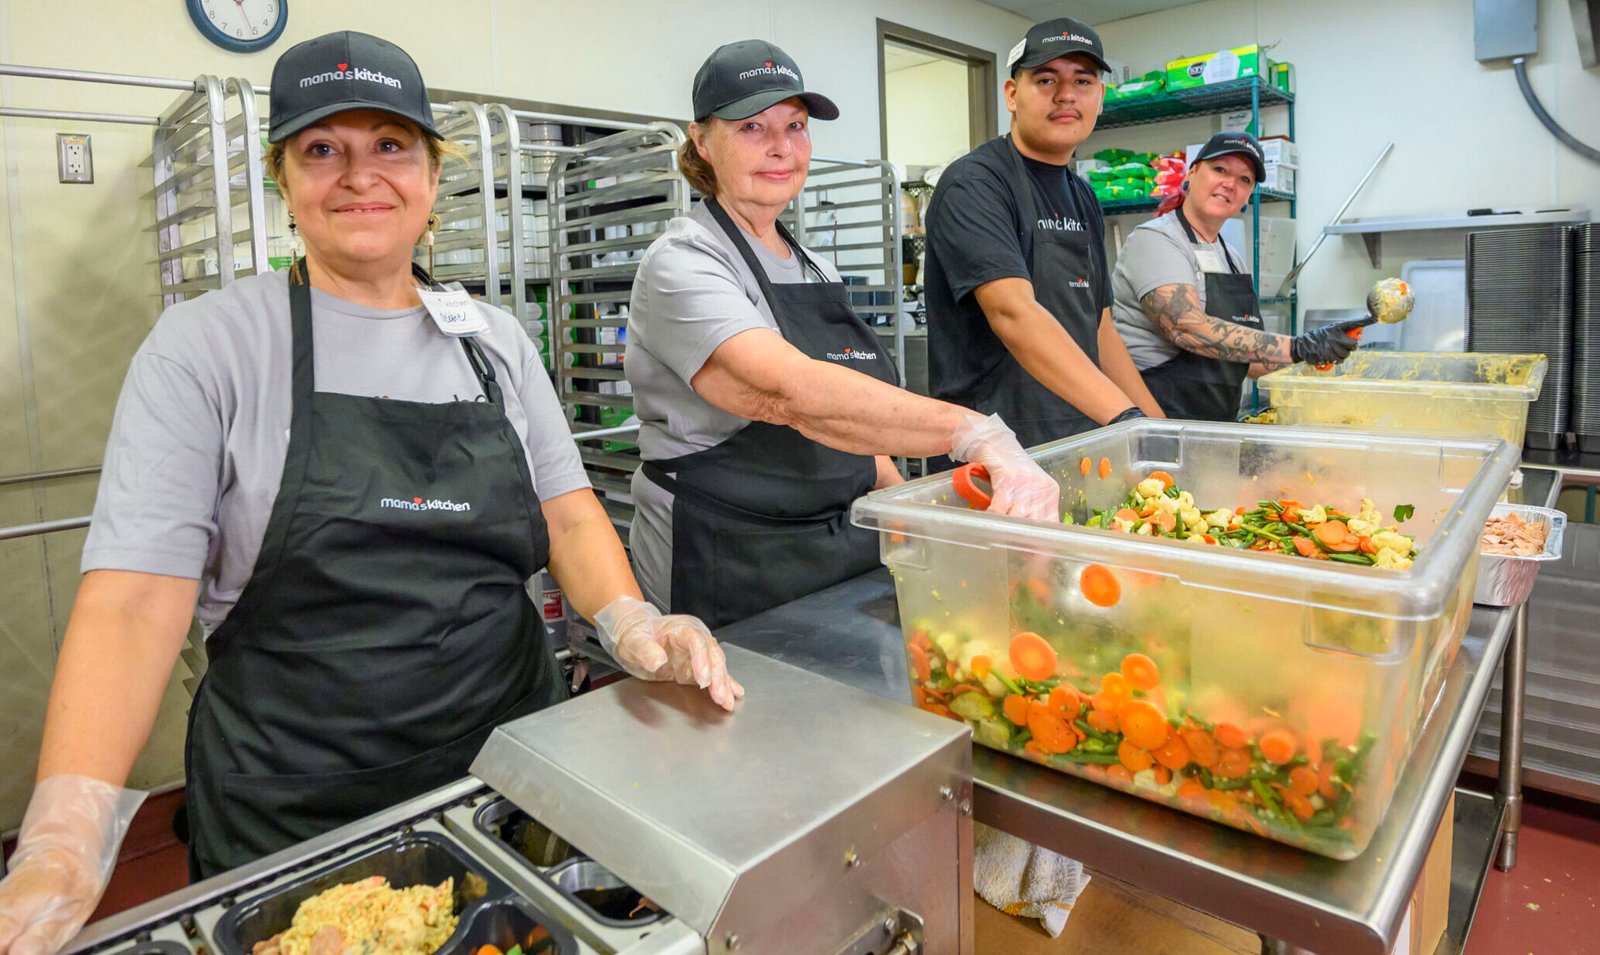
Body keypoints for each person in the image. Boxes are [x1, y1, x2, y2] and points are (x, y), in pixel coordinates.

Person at [0, 31, 741, 953]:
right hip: (296, 812)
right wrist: (65, 836)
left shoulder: (492, 341)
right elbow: (132, 602)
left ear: (433, 172)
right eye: (323, 149)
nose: (360, 175)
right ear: (282, 177)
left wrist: (630, 621)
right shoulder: (207, 349)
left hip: (507, 779)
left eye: (390, 144)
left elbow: (565, 510)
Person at [625, 39, 1061, 629]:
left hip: (836, 541)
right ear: (702, 140)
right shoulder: (684, 262)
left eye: (795, 126)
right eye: (752, 127)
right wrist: (976, 434)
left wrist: (911, 516)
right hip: (730, 552)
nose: (781, 148)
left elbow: (857, 429)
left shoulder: (814, 268)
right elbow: (791, 392)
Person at [922, 17, 1164, 450]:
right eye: (1046, 79)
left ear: (1100, 98)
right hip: (995, 450)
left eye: (1083, 81)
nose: (1066, 94)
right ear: (1012, 95)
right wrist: (1125, 416)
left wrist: (1160, 430)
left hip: (1078, 441)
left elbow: (1100, 329)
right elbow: (1013, 312)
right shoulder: (976, 184)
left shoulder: (1082, 196)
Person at [1111, 132, 1365, 420]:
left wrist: (1321, 358)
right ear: (1192, 173)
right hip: (1153, 418)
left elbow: (1247, 360)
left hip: (1213, 423)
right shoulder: (1155, 239)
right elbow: (1186, 328)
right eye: (1219, 169)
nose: (1230, 184)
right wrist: (1299, 346)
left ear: (1247, 196)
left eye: (1244, 179)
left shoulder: (1231, 258)